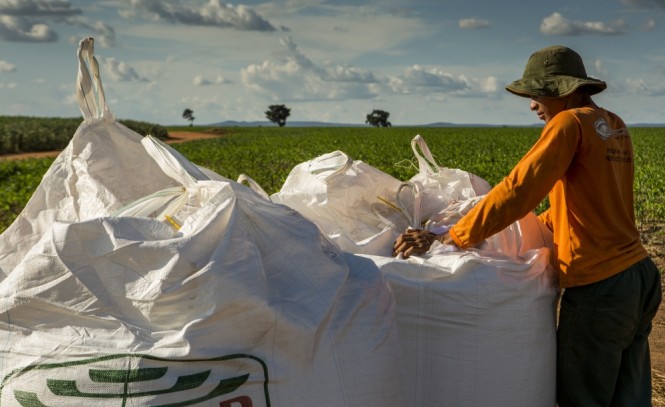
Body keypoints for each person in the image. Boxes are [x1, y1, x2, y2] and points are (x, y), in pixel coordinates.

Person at [392, 45, 662, 406]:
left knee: (582, 397)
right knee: (629, 396)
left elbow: (519, 189)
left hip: (600, 288)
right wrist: (524, 228)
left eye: (537, 94)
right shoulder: (613, 126)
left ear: (561, 90)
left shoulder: (568, 123)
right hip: (640, 277)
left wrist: (451, 235)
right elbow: (594, 202)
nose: (533, 104)